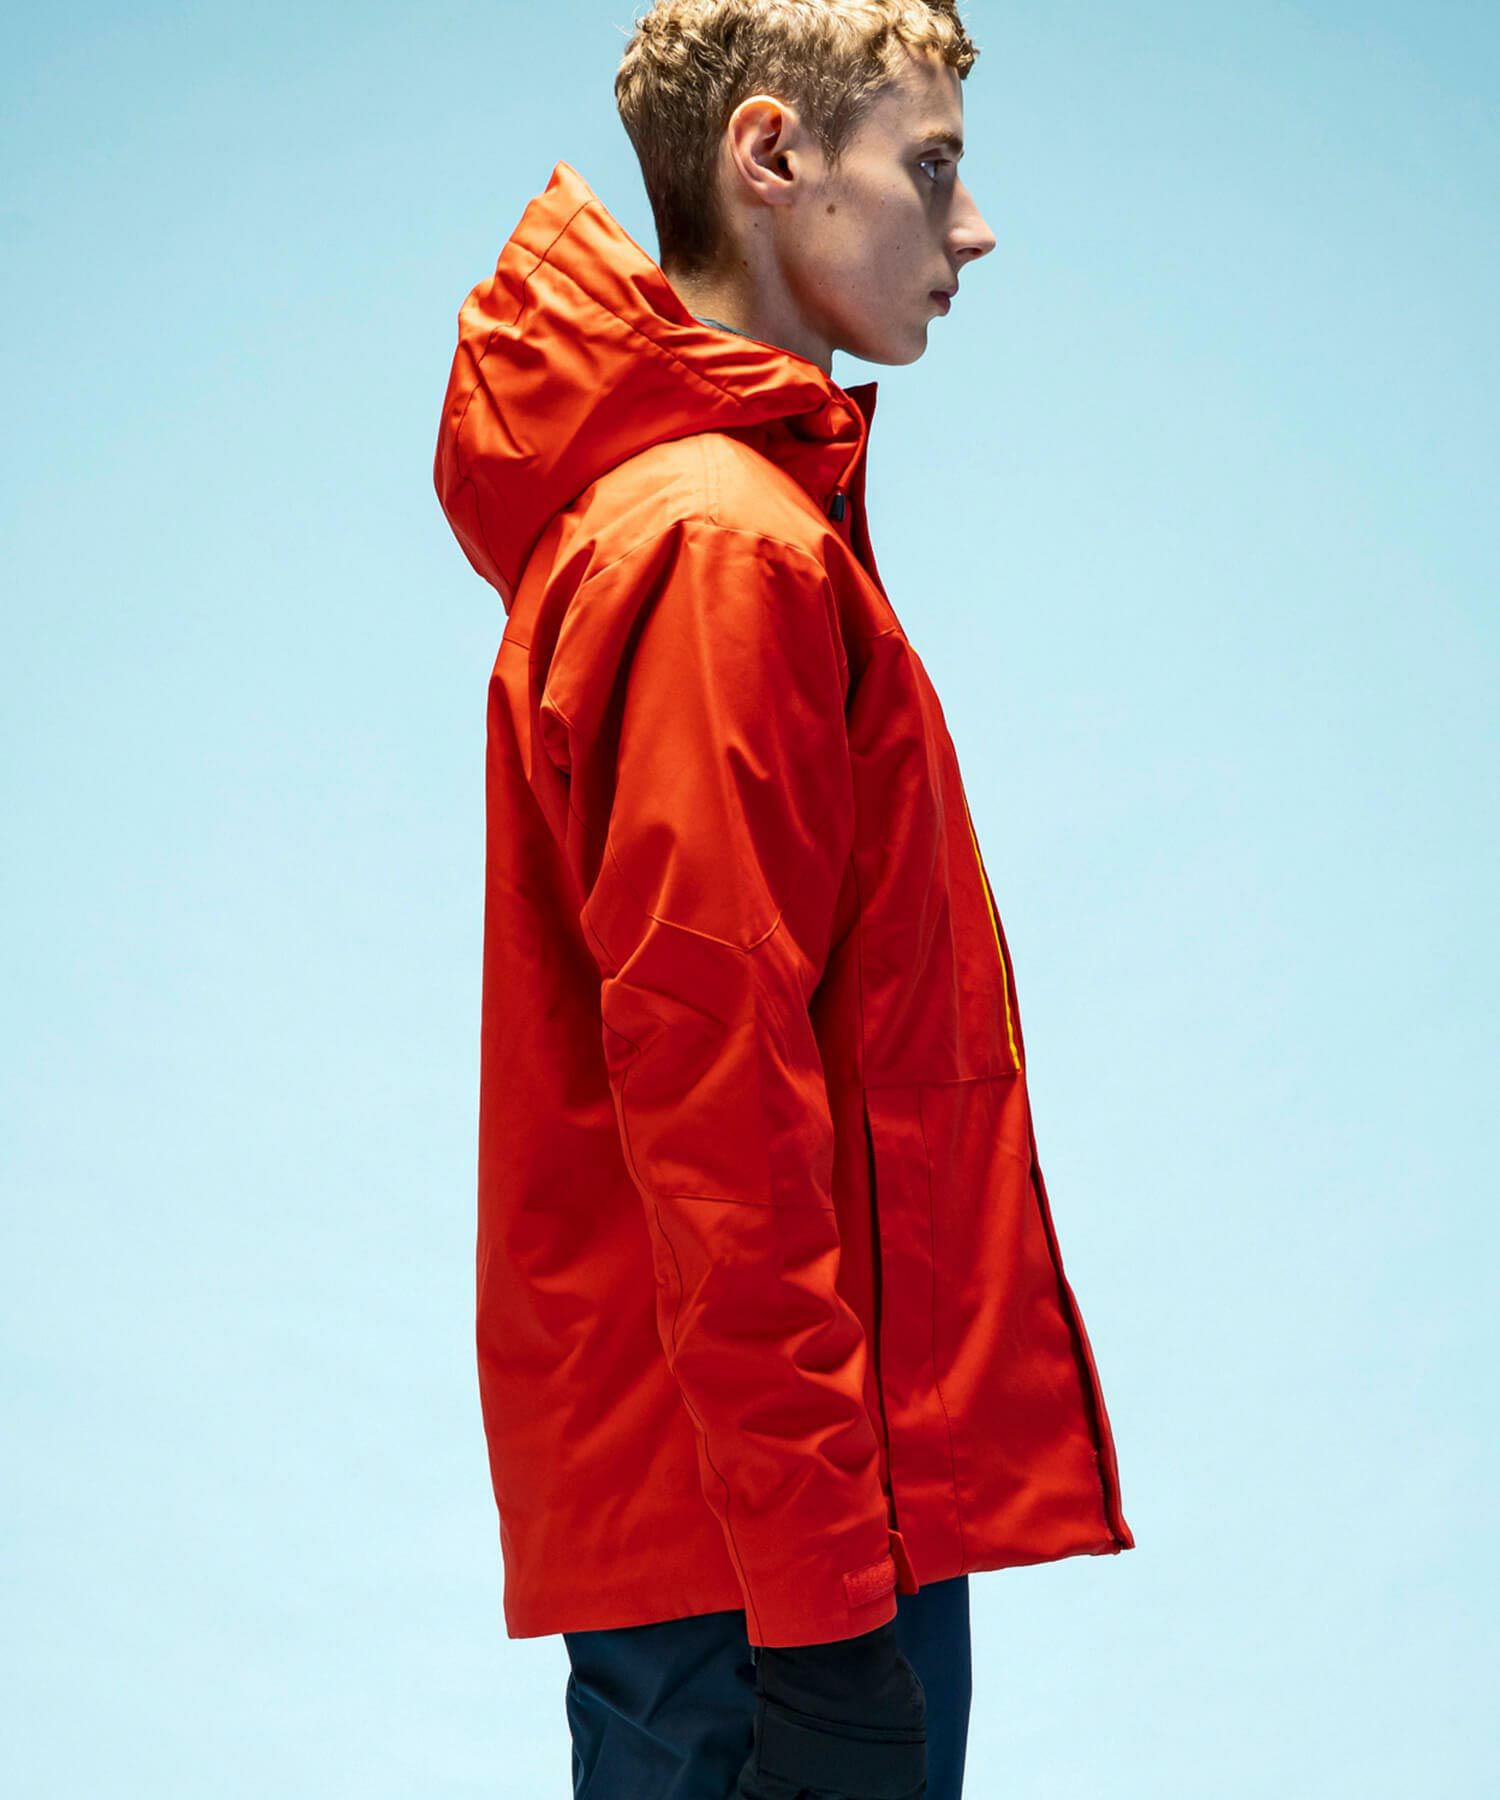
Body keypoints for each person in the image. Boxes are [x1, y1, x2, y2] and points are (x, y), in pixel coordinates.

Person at [431, 3, 1135, 1793]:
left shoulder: (721, 519)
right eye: (933, 167)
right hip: (770, 1562)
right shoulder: (713, 546)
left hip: (758, 1528)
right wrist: (825, 1623)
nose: (972, 227)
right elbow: (722, 1111)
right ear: (771, 156)